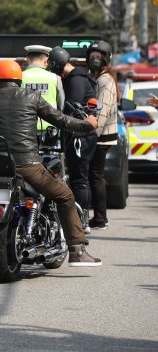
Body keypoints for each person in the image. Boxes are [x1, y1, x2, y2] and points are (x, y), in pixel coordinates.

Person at [0, 60, 102, 276]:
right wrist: (88, 124)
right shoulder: (30, 96)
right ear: (18, 79)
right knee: (65, 195)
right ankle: (77, 250)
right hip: (28, 164)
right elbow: (60, 120)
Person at [47, 46, 97, 234]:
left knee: (79, 179)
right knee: (79, 178)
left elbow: (70, 109)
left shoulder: (75, 79)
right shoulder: (78, 76)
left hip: (80, 136)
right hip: (82, 134)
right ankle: (80, 218)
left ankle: (82, 220)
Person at [86, 40, 119, 230]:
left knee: (95, 176)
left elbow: (103, 111)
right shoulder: (97, 78)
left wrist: (92, 133)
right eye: (92, 57)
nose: (95, 60)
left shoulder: (105, 80)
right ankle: (99, 216)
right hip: (100, 134)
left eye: (99, 57)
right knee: (95, 175)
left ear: (106, 59)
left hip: (101, 135)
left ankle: (100, 218)